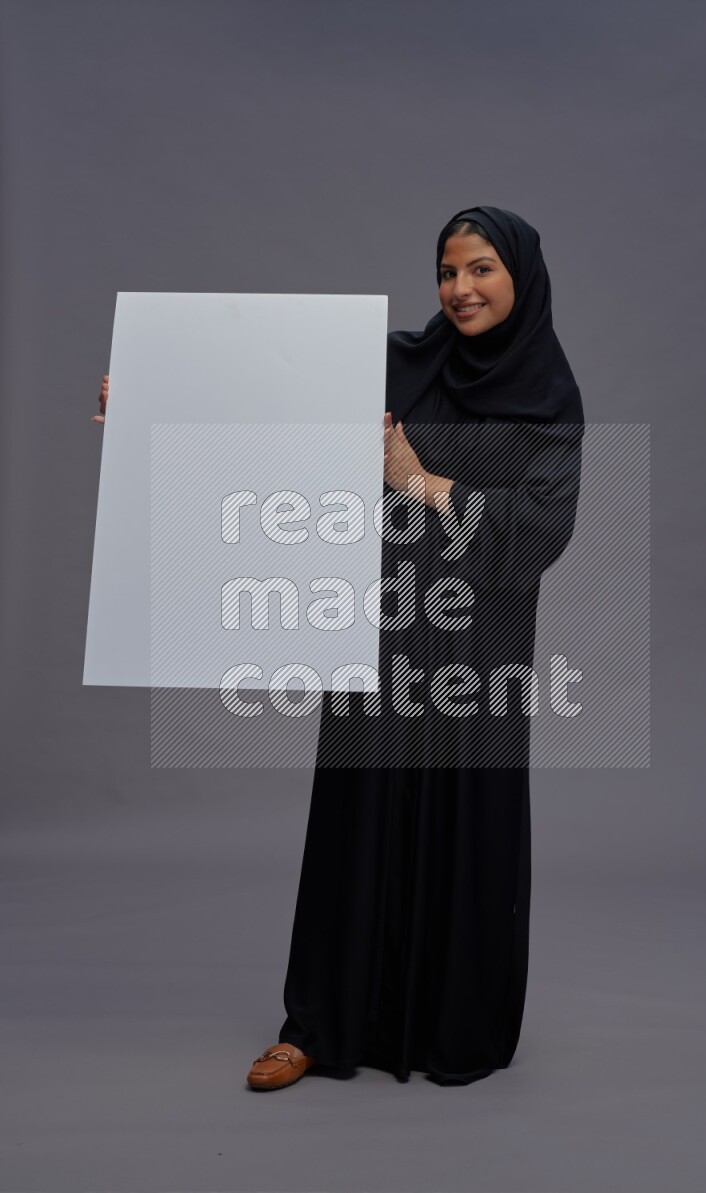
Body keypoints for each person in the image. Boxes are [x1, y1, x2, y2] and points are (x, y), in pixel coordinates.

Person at [93, 205, 584, 1091]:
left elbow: (541, 529)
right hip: (378, 629)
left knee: (467, 826)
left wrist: (419, 481)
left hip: (479, 652)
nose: (460, 288)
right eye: (447, 271)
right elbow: (272, 415)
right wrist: (143, 409)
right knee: (355, 823)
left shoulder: (550, 396)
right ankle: (318, 1025)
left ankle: (453, 1027)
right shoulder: (395, 364)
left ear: (522, 276)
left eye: (480, 268)